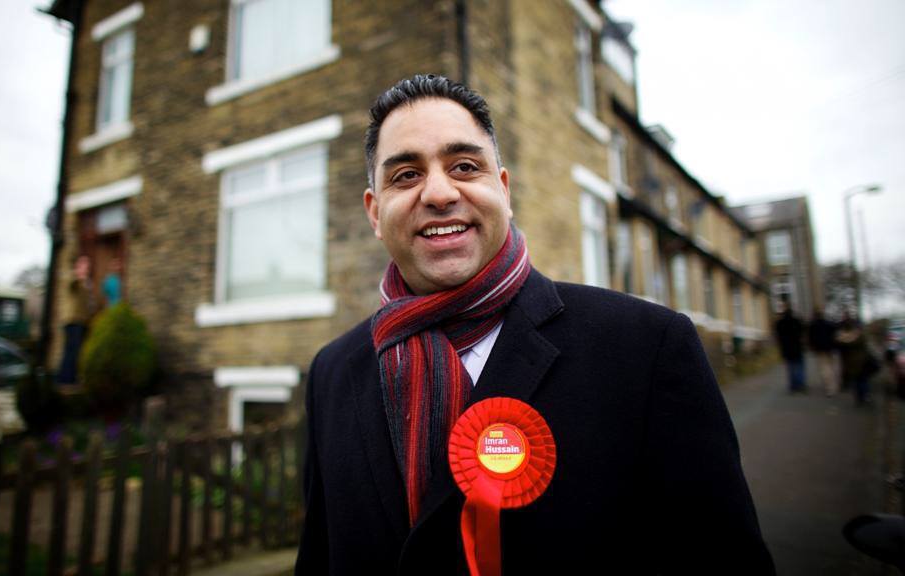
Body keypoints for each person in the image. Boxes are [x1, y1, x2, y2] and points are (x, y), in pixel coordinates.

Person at [296, 75, 774, 574]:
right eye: (406, 175)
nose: (438, 193)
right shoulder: (332, 371)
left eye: (464, 166)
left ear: (503, 190)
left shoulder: (647, 347)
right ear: (375, 213)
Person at [57, 254, 92, 384]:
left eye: (87, 264)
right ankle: (66, 380)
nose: (86, 267)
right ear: (78, 265)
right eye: (83, 264)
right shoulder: (72, 278)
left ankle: (70, 378)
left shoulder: (87, 283)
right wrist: (78, 275)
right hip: (72, 320)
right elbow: (71, 284)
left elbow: (87, 303)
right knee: (71, 351)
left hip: (82, 321)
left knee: (76, 351)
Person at [836, 312, 873, 405]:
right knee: (863, 379)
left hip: (852, 361)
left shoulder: (846, 337)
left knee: (857, 380)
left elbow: (841, 343)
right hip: (862, 360)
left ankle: (859, 398)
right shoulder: (860, 334)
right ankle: (865, 396)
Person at [774, 300, 806, 394]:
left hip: (787, 348)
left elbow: (778, 337)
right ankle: (800, 384)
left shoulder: (780, 323)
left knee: (790, 367)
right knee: (799, 366)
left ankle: (793, 385)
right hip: (797, 347)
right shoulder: (797, 321)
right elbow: (802, 333)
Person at [808, 308, 839, 397]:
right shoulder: (829, 324)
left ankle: (829, 388)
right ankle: (834, 385)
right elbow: (835, 335)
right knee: (832, 367)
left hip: (820, 350)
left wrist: (812, 347)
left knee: (824, 369)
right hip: (831, 349)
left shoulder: (813, 326)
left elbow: (811, 339)